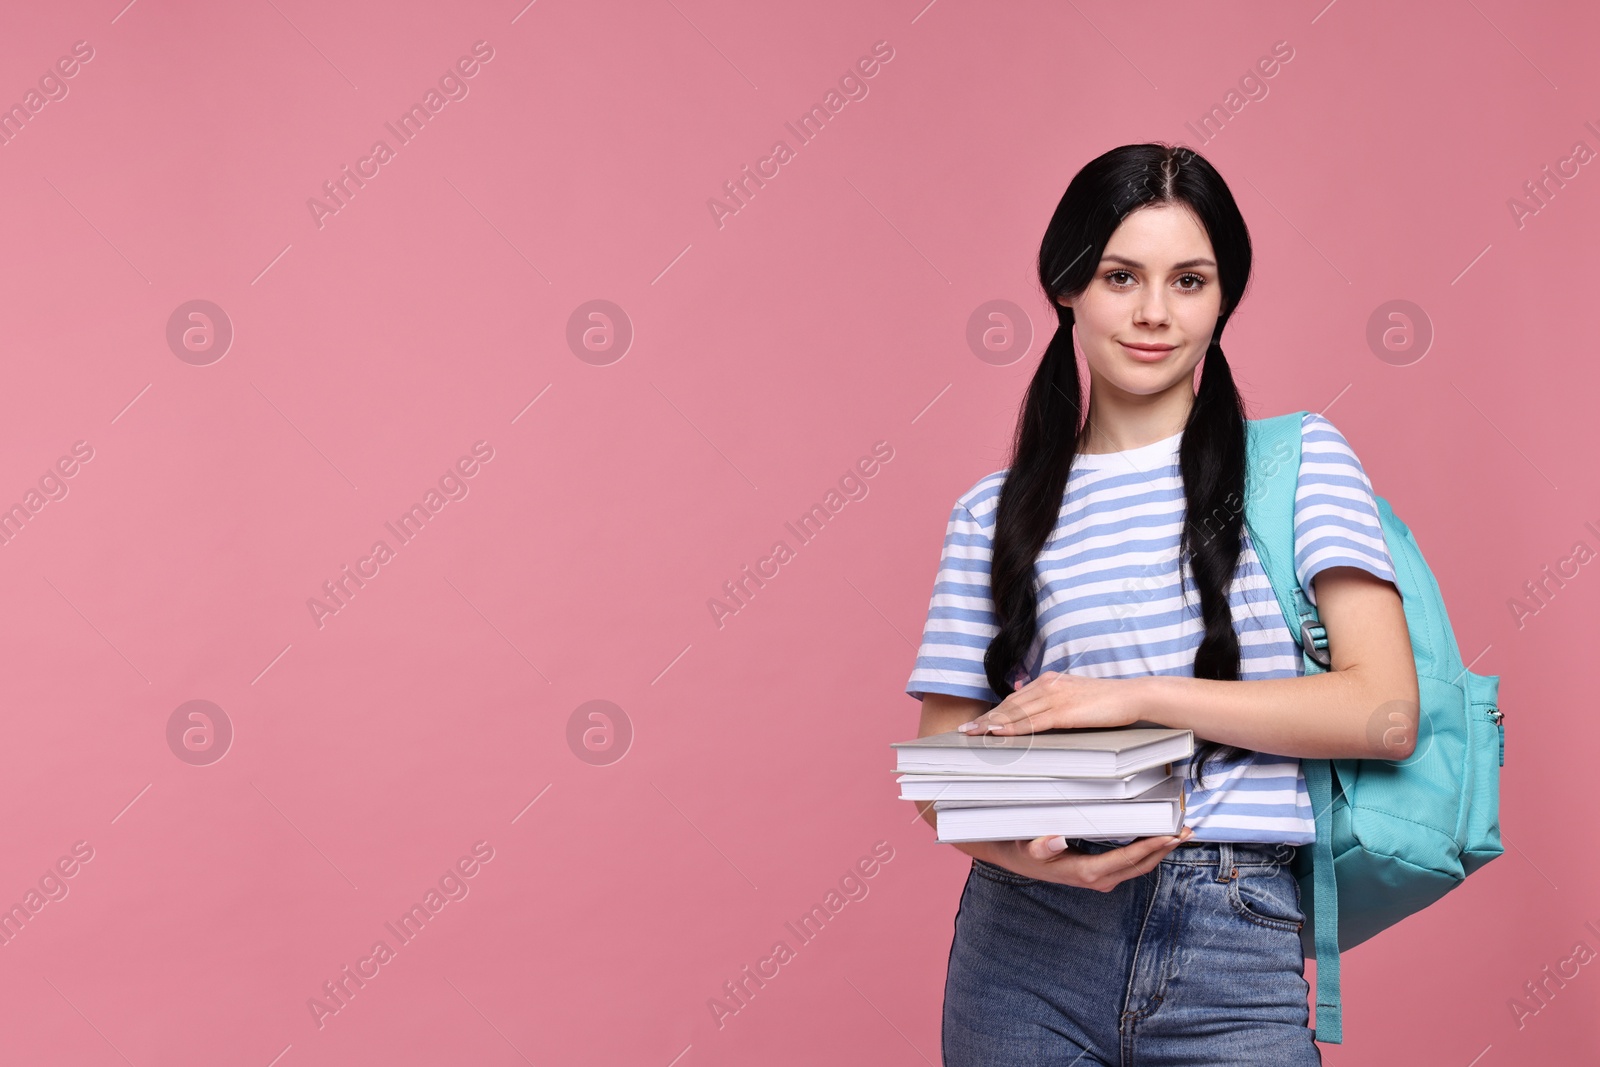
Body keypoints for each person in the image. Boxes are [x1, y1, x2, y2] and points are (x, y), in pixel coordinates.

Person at [903, 142, 1420, 1065]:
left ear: (1224, 301)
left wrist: (1137, 695)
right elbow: (945, 758)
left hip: (1235, 931)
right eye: (1119, 276)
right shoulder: (994, 511)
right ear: (1067, 287)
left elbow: (1383, 712)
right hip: (1023, 943)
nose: (1153, 313)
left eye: (1189, 280)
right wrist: (1029, 858)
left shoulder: (1296, 465)